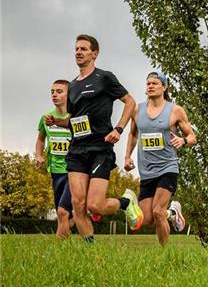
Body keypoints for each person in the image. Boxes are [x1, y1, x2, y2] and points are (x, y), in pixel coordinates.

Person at [45, 34, 141, 241]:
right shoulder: (72, 86)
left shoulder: (104, 77)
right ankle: (91, 251)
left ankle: (125, 202)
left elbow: (130, 102)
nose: (78, 52)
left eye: (83, 49)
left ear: (94, 54)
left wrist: (119, 129)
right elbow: (73, 120)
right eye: (76, 49)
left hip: (100, 149)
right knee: (78, 206)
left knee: (94, 205)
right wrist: (57, 121)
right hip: (77, 150)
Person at [124, 71, 197, 246]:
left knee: (158, 211)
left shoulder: (175, 110)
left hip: (168, 167)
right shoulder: (137, 110)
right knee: (148, 219)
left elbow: (193, 137)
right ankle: (173, 213)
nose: (150, 86)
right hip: (146, 169)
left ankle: (164, 252)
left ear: (164, 87)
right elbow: (133, 135)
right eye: (148, 83)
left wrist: (183, 140)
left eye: (155, 83)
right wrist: (127, 156)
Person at [36, 79, 75, 239]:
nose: (54, 95)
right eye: (52, 91)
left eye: (59, 91)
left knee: (63, 211)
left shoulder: (75, 117)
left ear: (69, 94)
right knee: (63, 214)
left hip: (74, 170)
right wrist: (39, 155)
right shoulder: (46, 117)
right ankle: (88, 241)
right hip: (55, 170)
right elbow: (40, 139)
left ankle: (59, 247)